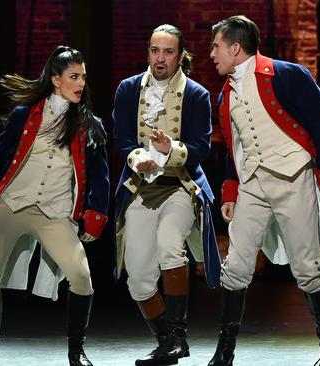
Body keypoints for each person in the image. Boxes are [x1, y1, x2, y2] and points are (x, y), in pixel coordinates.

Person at [208, 15, 320, 366]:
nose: (212, 54)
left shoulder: (287, 74)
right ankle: (224, 352)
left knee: (306, 266)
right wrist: (231, 191)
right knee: (236, 265)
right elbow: (234, 146)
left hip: (293, 177)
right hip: (253, 184)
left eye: (216, 47)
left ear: (235, 48)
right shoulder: (226, 93)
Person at [0, 46, 109, 366]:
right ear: (56, 80)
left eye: (83, 77)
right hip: (12, 204)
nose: (80, 83)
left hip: (54, 212)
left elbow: (101, 176)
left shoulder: (89, 124)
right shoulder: (25, 115)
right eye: (73, 77)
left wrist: (93, 216)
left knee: (82, 277)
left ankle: (77, 351)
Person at [112, 24, 220, 366]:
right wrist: (137, 159)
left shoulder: (196, 94)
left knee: (169, 242)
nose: (160, 58)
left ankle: (178, 336)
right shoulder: (129, 89)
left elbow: (202, 148)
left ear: (180, 56)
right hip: (141, 188)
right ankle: (167, 340)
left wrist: (169, 148)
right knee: (139, 277)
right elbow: (123, 140)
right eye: (155, 50)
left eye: (168, 51)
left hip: (181, 187)